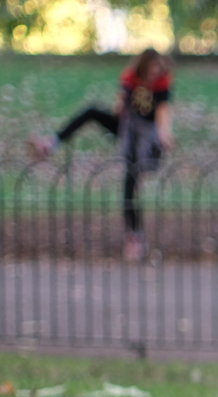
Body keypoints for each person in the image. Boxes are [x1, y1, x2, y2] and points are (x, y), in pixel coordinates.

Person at [27, 48, 174, 261]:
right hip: (128, 129)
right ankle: (50, 144)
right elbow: (120, 106)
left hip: (149, 135)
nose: (155, 71)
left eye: (158, 68)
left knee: (138, 172)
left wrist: (165, 133)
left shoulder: (162, 82)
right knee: (93, 113)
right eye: (152, 67)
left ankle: (147, 168)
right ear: (143, 66)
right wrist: (122, 104)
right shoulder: (130, 77)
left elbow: (163, 112)